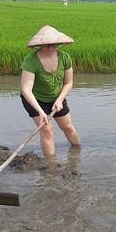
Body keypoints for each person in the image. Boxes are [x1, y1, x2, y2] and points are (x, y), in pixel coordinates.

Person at [20, 25, 80, 157]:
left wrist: (59, 100)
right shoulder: (31, 61)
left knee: (68, 127)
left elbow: (68, 83)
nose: (52, 48)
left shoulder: (64, 58)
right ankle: (51, 166)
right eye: (48, 46)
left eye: (55, 45)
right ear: (40, 45)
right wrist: (41, 112)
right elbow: (26, 90)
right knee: (47, 130)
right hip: (35, 100)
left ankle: (77, 153)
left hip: (57, 97)